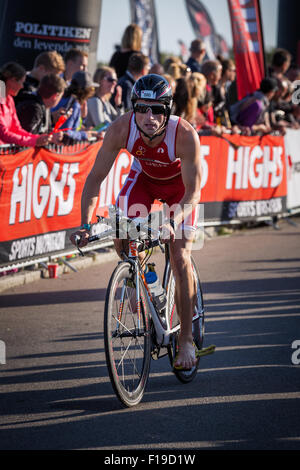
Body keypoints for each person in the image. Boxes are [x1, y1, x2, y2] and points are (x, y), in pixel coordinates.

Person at [70, 74, 202, 370]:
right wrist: (85, 224)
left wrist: (172, 220)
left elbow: (194, 193)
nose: (148, 116)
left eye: (156, 109)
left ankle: (186, 341)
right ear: (133, 108)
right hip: (144, 181)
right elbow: (94, 179)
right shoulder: (120, 128)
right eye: (142, 108)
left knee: (180, 256)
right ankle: (144, 277)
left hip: (180, 191)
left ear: (167, 110)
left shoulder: (184, 134)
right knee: (122, 235)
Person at [0, 62, 51, 147]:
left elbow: (16, 129)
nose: (22, 87)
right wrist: (34, 141)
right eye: (21, 82)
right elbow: (3, 134)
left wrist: (36, 138)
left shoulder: (10, 99)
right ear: (12, 80)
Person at [17, 74, 66, 142]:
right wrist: (49, 138)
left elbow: (42, 131)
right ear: (55, 96)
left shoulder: (45, 107)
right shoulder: (33, 109)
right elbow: (24, 138)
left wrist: (53, 134)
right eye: (61, 96)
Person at [52, 70, 99, 141]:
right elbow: (66, 132)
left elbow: (73, 128)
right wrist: (84, 135)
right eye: (92, 88)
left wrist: (82, 118)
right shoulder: (74, 104)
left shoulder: (64, 98)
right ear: (86, 90)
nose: (93, 91)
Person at [85, 66, 124, 131]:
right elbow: (101, 128)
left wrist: (119, 104)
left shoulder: (105, 101)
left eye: (115, 80)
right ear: (99, 80)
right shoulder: (94, 101)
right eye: (110, 80)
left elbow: (121, 122)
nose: (114, 83)